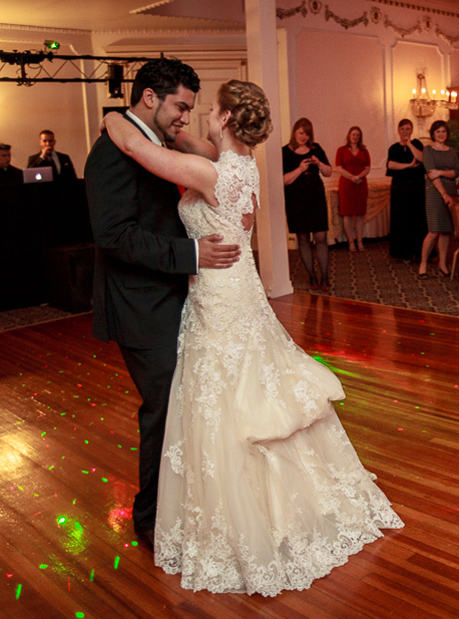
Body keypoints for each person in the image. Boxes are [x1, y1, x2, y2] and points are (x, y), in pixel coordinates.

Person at [102, 79, 403, 595]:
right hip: (236, 285)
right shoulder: (243, 166)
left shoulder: (208, 172)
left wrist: (116, 115)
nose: (200, 117)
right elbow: (187, 144)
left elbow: (135, 146)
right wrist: (169, 124)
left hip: (218, 294)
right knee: (250, 385)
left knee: (225, 396)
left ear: (222, 118)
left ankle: (248, 517)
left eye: (209, 110)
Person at [84, 58, 241, 551]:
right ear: (149, 97)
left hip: (173, 295)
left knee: (182, 405)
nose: (184, 118)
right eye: (179, 106)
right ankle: (151, 519)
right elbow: (112, 235)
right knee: (163, 408)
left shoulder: (151, 140)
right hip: (139, 304)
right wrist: (191, 253)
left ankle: (180, 503)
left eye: (192, 110)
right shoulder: (112, 151)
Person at [282, 118, 332, 291]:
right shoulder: (285, 152)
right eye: (301, 132)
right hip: (296, 199)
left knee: (321, 237)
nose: (304, 137)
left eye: (307, 133)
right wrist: (300, 169)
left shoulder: (316, 149)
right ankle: (311, 276)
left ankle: (324, 277)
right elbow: (284, 180)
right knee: (303, 238)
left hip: (315, 196)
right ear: (295, 132)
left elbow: (328, 172)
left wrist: (319, 163)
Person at [418, 120, 459, 278]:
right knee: (434, 230)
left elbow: (456, 172)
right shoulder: (428, 150)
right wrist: (443, 194)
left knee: (446, 231)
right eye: (438, 132)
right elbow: (431, 174)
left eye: (443, 131)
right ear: (433, 134)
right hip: (435, 191)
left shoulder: (452, 151)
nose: (441, 134)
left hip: (451, 189)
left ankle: (442, 264)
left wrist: (441, 172)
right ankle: (423, 263)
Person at [386, 118, 426, 261]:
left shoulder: (417, 144)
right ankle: (402, 252)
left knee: (416, 219)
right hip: (399, 189)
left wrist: (409, 143)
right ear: (398, 130)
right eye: (402, 129)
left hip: (416, 189)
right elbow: (390, 165)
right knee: (401, 220)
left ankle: (419, 252)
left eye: (408, 129)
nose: (405, 132)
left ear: (412, 130)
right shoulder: (393, 148)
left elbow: (421, 158)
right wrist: (408, 165)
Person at [334, 126, 371, 252]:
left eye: (357, 135)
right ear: (349, 135)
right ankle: (351, 242)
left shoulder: (364, 151)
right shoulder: (341, 150)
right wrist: (352, 177)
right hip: (346, 185)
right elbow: (338, 167)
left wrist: (358, 177)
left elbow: (367, 167)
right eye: (353, 134)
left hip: (361, 184)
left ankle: (360, 241)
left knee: (360, 214)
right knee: (347, 215)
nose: (355, 137)